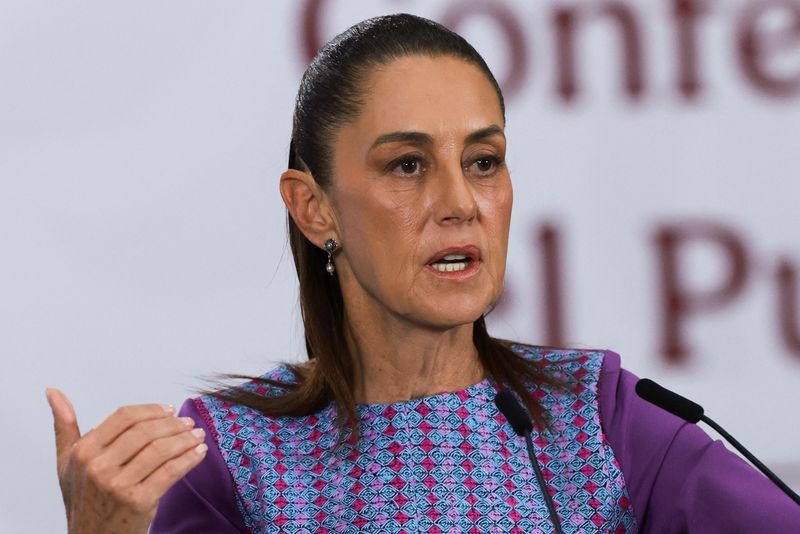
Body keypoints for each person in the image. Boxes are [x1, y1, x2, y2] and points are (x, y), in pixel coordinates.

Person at [46, 13, 800, 533]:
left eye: (483, 162)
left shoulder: (596, 418)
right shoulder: (233, 458)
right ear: (314, 209)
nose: (459, 203)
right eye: (407, 165)